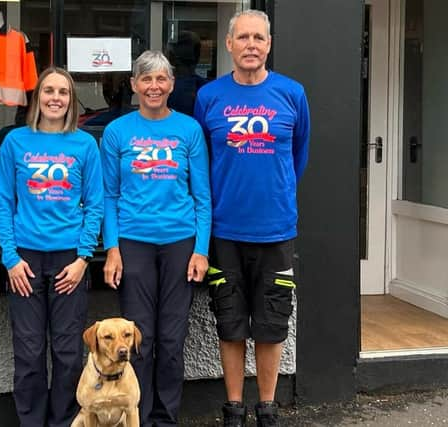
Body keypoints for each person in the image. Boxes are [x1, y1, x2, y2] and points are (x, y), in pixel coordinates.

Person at [193, 10, 310, 427]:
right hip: (224, 229)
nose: (251, 45)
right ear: (229, 44)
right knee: (230, 321)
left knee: (272, 323)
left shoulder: (292, 94)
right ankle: (234, 409)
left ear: (269, 44)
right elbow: (203, 161)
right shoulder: (210, 97)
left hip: (276, 229)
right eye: (243, 37)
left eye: (258, 38)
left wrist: (270, 194)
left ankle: (267, 407)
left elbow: (298, 157)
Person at [101, 50, 211, 426]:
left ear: (171, 85)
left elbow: (202, 196)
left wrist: (201, 250)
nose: (153, 86)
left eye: (161, 79)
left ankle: (165, 419)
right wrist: (112, 249)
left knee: (171, 340)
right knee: (136, 340)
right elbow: (109, 197)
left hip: (180, 242)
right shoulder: (117, 132)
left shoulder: (189, 130)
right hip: (133, 242)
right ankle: (138, 416)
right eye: (146, 79)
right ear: (133, 85)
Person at [0, 66, 104, 427]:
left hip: (68, 261)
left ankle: (64, 422)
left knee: (68, 353)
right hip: (24, 260)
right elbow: (2, 203)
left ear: (71, 100)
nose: (55, 98)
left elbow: (96, 205)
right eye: (48, 91)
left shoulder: (85, 144)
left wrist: (83, 259)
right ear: (36, 97)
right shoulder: (15, 142)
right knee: (28, 353)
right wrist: (10, 258)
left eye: (63, 92)